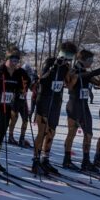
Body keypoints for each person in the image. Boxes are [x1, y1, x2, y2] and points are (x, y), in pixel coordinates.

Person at [63, 49, 100, 172]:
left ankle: (86, 161)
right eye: (90, 60)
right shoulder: (74, 71)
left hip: (84, 106)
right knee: (71, 133)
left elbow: (99, 83)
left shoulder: (85, 71)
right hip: (74, 105)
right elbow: (85, 76)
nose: (91, 63)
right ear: (83, 60)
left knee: (89, 134)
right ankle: (67, 159)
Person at [31, 42, 74, 174]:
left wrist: (72, 74)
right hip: (44, 100)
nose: (67, 61)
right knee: (42, 132)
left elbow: (69, 84)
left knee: (51, 132)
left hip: (56, 102)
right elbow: (41, 79)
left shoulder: (66, 67)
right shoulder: (50, 62)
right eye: (66, 58)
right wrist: (54, 67)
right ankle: (35, 160)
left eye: (70, 59)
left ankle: (45, 159)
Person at [0, 52, 24, 174]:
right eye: (12, 60)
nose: (14, 63)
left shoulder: (17, 74)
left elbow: (18, 89)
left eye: (16, 61)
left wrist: (21, 90)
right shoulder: (0, 71)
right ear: (6, 60)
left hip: (8, 107)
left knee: (2, 135)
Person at [6, 48, 32, 147]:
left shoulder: (26, 74)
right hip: (15, 99)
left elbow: (29, 84)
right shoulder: (16, 72)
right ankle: (10, 136)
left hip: (23, 100)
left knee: (25, 120)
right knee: (14, 118)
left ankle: (21, 138)